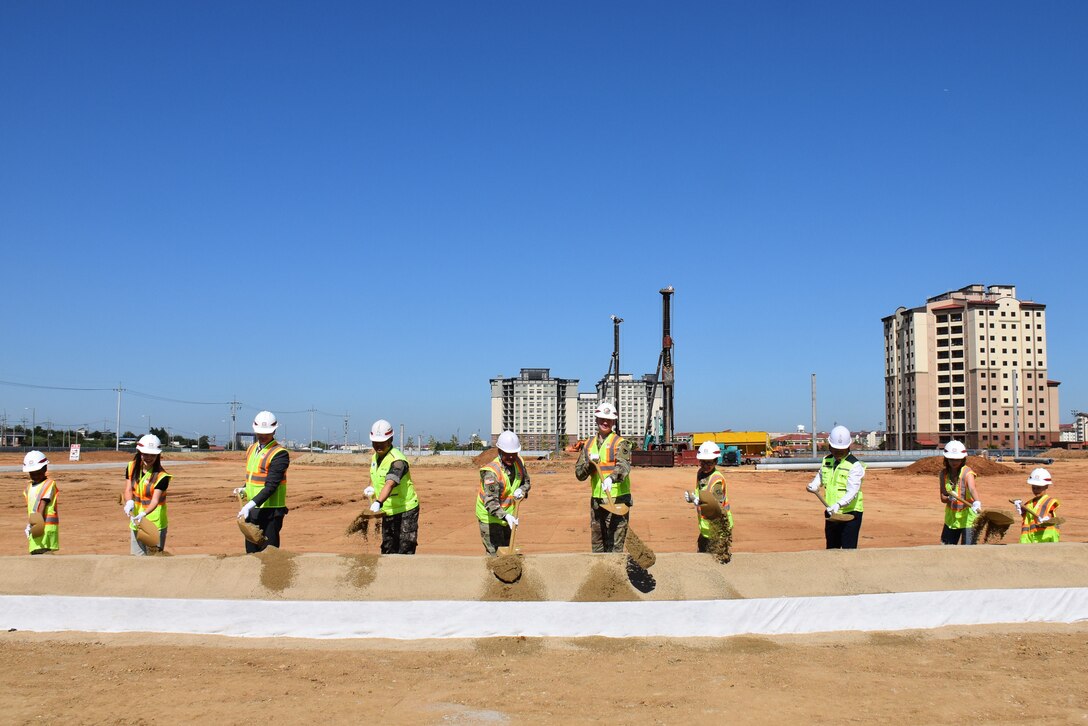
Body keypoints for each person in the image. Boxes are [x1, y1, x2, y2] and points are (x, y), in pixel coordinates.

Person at [574, 401, 633, 552]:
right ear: (596, 420)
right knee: (598, 546)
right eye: (602, 419)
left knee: (615, 547)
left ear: (613, 422)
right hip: (597, 502)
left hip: (617, 500)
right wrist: (590, 463)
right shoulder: (588, 444)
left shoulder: (621, 443)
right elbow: (579, 474)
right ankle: (600, 574)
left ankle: (615, 574)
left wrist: (611, 478)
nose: (605, 422)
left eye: (608, 420)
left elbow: (624, 467)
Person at [236, 410, 290, 552]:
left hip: (271, 512)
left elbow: (271, 486)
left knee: (269, 554)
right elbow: (253, 477)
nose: (263, 436)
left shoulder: (280, 454)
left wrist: (249, 505)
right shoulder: (251, 449)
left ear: (274, 431)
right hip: (253, 511)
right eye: (260, 433)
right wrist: (244, 488)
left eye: (267, 433)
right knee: (251, 553)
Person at [805, 425, 866, 549]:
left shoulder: (855, 466)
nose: (838, 452)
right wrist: (814, 484)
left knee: (848, 550)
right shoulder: (827, 460)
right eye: (835, 449)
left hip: (850, 514)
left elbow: (852, 491)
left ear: (848, 447)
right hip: (831, 512)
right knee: (832, 548)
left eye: (842, 450)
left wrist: (838, 504)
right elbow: (821, 475)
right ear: (829, 446)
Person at [365, 419, 420, 554]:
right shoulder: (375, 458)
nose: (378, 446)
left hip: (405, 509)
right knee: (388, 547)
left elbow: (390, 483)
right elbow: (375, 477)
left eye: (381, 443)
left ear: (390, 440)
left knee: (405, 547)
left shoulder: (398, 461)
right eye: (375, 443)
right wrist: (370, 487)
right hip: (388, 510)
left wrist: (378, 502)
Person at [476, 430, 530, 555]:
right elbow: (490, 503)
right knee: (495, 556)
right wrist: (506, 516)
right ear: (500, 451)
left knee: (508, 552)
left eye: (514, 453)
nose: (511, 457)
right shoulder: (492, 473)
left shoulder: (519, 463)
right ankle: (490, 575)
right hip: (490, 518)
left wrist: (522, 490)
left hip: (508, 518)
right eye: (507, 454)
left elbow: (526, 482)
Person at [123, 434, 172, 554]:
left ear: (158, 455)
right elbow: (128, 489)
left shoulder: (162, 476)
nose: (148, 457)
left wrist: (144, 513)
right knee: (137, 559)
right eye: (145, 454)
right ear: (139, 452)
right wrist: (129, 501)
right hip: (136, 522)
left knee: (153, 561)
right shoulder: (131, 467)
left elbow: (155, 501)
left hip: (154, 525)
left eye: (152, 455)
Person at [683, 441, 732, 552]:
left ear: (716, 461)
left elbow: (716, 504)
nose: (705, 466)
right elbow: (701, 491)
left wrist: (698, 500)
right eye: (703, 462)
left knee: (716, 558)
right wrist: (693, 498)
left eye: (709, 463)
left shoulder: (717, 479)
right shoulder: (700, 473)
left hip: (718, 528)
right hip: (706, 528)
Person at [937, 440, 981, 545]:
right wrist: (949, 499)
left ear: (963, 459)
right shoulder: (943, 474)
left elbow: (972, 488)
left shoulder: (967, 472)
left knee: (968, 550)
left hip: (967, 519)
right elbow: (943, 498)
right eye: (951, 459)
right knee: (946, 549)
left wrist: (977, 502)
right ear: (946, 459)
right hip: (951, 519)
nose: (954, 462)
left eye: (957, 459)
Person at [22, 451, 58, 554]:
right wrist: (31, 525)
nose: (35, 475)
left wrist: (36, 526)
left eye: (38, 472)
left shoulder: (49, 484)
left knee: (43, 557)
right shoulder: (29, 488)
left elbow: (42, 505)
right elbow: (33, 508)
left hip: (44, 529)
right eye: (32, 473)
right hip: (36, 526)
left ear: (45, 469)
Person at [1014, 468, 1061, 543]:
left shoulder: (1049, 502)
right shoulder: (1029, 504)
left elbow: (1050, 513)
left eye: (1038, 488)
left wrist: (1047, 519)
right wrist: (1020, 508)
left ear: (1046, 486)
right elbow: (1028, 518)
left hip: (1046, 540)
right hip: (1029, 540)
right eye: (1033, 488)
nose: (1035, 490)